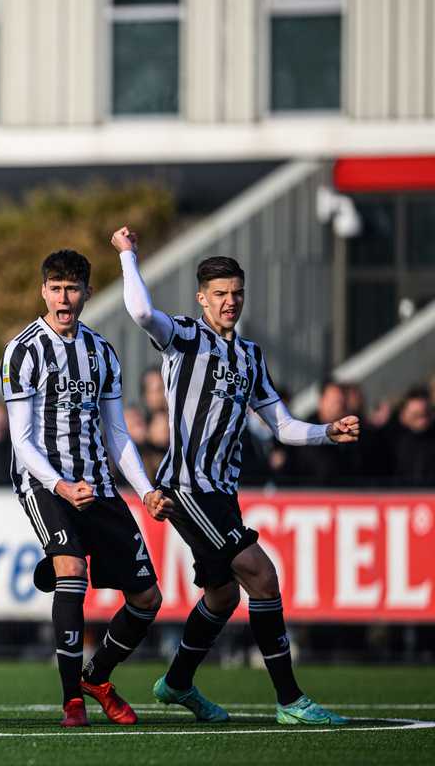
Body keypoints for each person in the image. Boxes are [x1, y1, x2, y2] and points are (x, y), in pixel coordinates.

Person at [115, 225, 360, 726]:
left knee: (223, 595)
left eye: (237, 293)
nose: (231, 302)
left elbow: (284, 426)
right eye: (221, 294)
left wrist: (327, 432)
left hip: (220, 494)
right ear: (202, 299)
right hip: (186, 488)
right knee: (263, 578)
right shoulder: (184, 336)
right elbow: (141, 312)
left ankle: (178, 682)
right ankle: (290, 699)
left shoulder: (249, 358)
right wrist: (128, 256)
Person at [2, 249, 171, 728]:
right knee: (71, 570)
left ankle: (96, 677)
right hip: (44, 482)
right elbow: (21, 440)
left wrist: (145, 489)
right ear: (43, 292)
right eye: (55, 288)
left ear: (87, 294)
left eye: (72, 289)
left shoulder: (101, 352)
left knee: (147, 600)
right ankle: (71, 700)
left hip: (96, 483)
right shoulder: (23, 350)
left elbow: (117, 435)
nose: (64, 298)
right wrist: (59, 484)